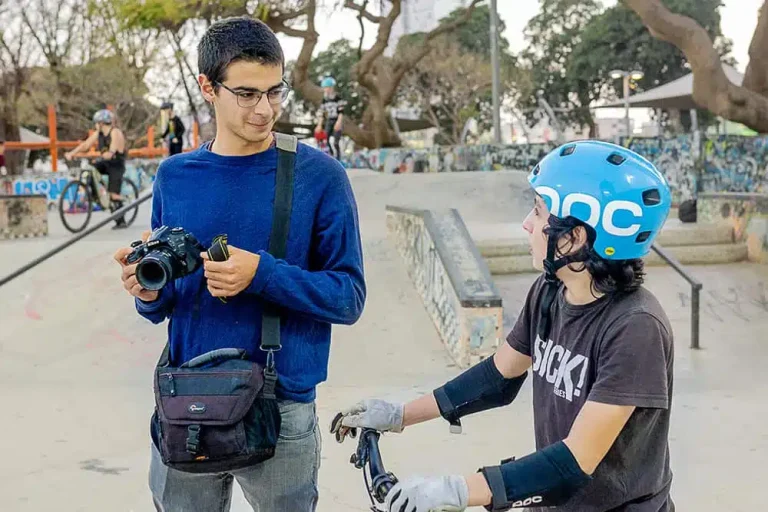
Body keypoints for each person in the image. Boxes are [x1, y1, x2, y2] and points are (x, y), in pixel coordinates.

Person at [332, 140, 675, 512]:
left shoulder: (635, 328)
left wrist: (457, 491)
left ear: (574, 237)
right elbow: (498, 376)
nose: (527, 223)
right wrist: (399, 415)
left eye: (539, 212)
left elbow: (576, 462)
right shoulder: (549, 292)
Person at [112, 16, 366, 512]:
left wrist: (262, 275)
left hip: (282, 407)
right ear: (208, 87)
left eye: (275, 92)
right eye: (247, 94)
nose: (265, 109)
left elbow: (348, 296)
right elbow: (168, 302)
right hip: (185, 400)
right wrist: (146, 292)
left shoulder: (321, 176)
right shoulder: (174, 176)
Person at [65, 109, 128, 228]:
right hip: (105, 161)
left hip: (116, 163)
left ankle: (121, 220)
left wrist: (109, 153)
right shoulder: (98, 133)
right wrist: (72, 153)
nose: (95, 125)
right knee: (89, 170)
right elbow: (86, 145)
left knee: (113, 195)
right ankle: (94, 194)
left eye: (97, 123)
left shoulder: (115, 132)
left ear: (101, 123)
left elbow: (113, 148)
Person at [318, 76, 345, 160]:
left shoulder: (338, 98)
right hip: (329, 120)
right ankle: (331, 156)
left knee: (336, 142)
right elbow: (322, 113)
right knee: (325, 139)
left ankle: (338, 158)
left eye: (328, 88)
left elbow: (341, 112)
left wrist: (339, 123)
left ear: (332, 88)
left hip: (337, 120)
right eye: (325, 88)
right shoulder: (324, 100)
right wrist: (319, 125)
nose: (326, 90)